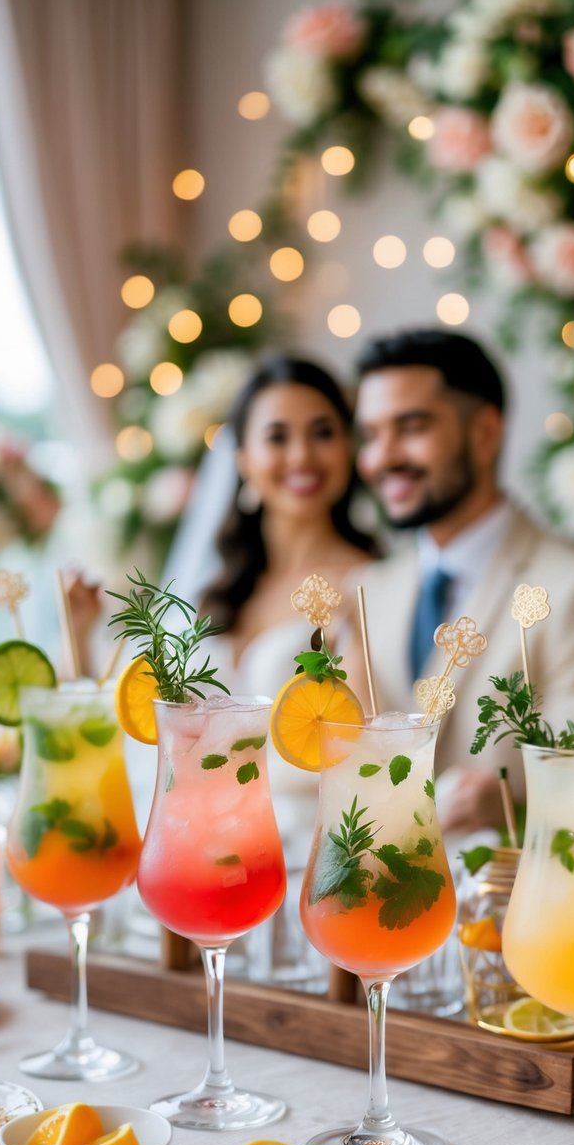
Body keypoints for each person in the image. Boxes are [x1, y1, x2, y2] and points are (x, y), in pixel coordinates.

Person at [351, 328, 574, 839]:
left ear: (484, 433)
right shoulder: (369, 590)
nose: (382, 457)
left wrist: (505, 801)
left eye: (410, 427)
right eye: (370, 435)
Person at [199, 353, 377, 858]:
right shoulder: (225, 589)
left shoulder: (369, 588)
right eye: (277, 437)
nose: (301, 454)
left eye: (322, 432)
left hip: (312, 856)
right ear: (243, 461)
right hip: (209, 850)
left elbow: (364, 751)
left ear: (348, 448)